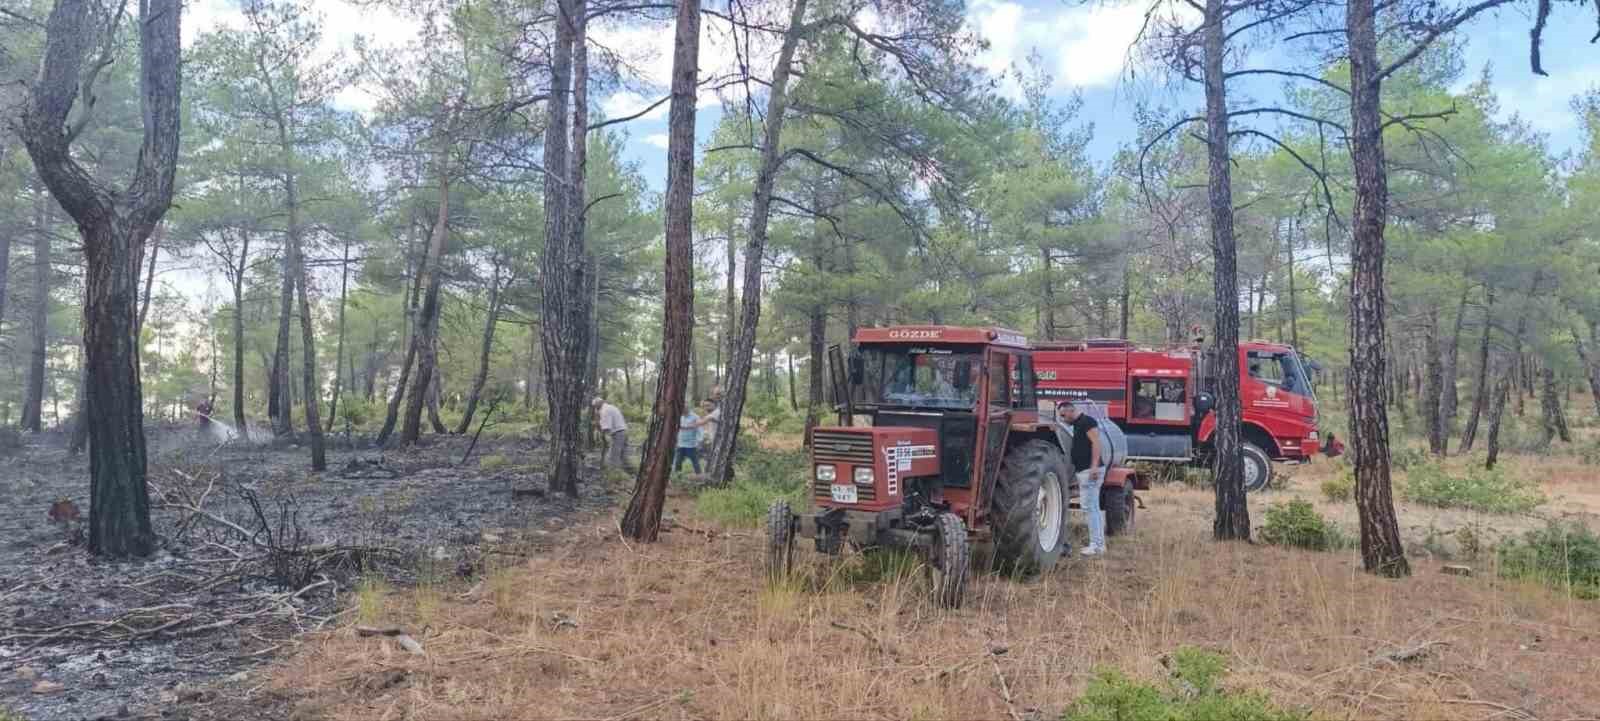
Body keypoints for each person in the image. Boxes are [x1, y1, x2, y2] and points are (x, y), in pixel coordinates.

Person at [1058, 400, 1106, 556]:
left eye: (1064, 415)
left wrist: (1094, 466)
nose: (1063, 418)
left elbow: (1096, 443)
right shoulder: (1077, 424)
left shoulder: (1087, 422)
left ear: (1071, 411)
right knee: (1090, 507)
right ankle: (1097, 543)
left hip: (1090, 470)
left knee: (1091, 507)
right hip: (1083, 471)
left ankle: (1097, 545)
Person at [593, 396, 633, 472]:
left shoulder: (605, 411)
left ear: (598, 404)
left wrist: (601, 434)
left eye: (595, 406)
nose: (595, 408)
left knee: (613, 456)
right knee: (623, 455)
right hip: (624, 431)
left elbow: (606, 428)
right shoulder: (610, 407)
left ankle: (614, 475)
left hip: (617, 434)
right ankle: (630, 472)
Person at [675, 408, 702, 474]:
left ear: (687, 407)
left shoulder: (695, 417)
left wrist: (699, 441)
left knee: (695, 461)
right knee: (678, 461)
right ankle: (678, 476)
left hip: (691, 444)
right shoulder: (679, 416)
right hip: (680, 444)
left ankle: (699, 475)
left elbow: (700, 429)